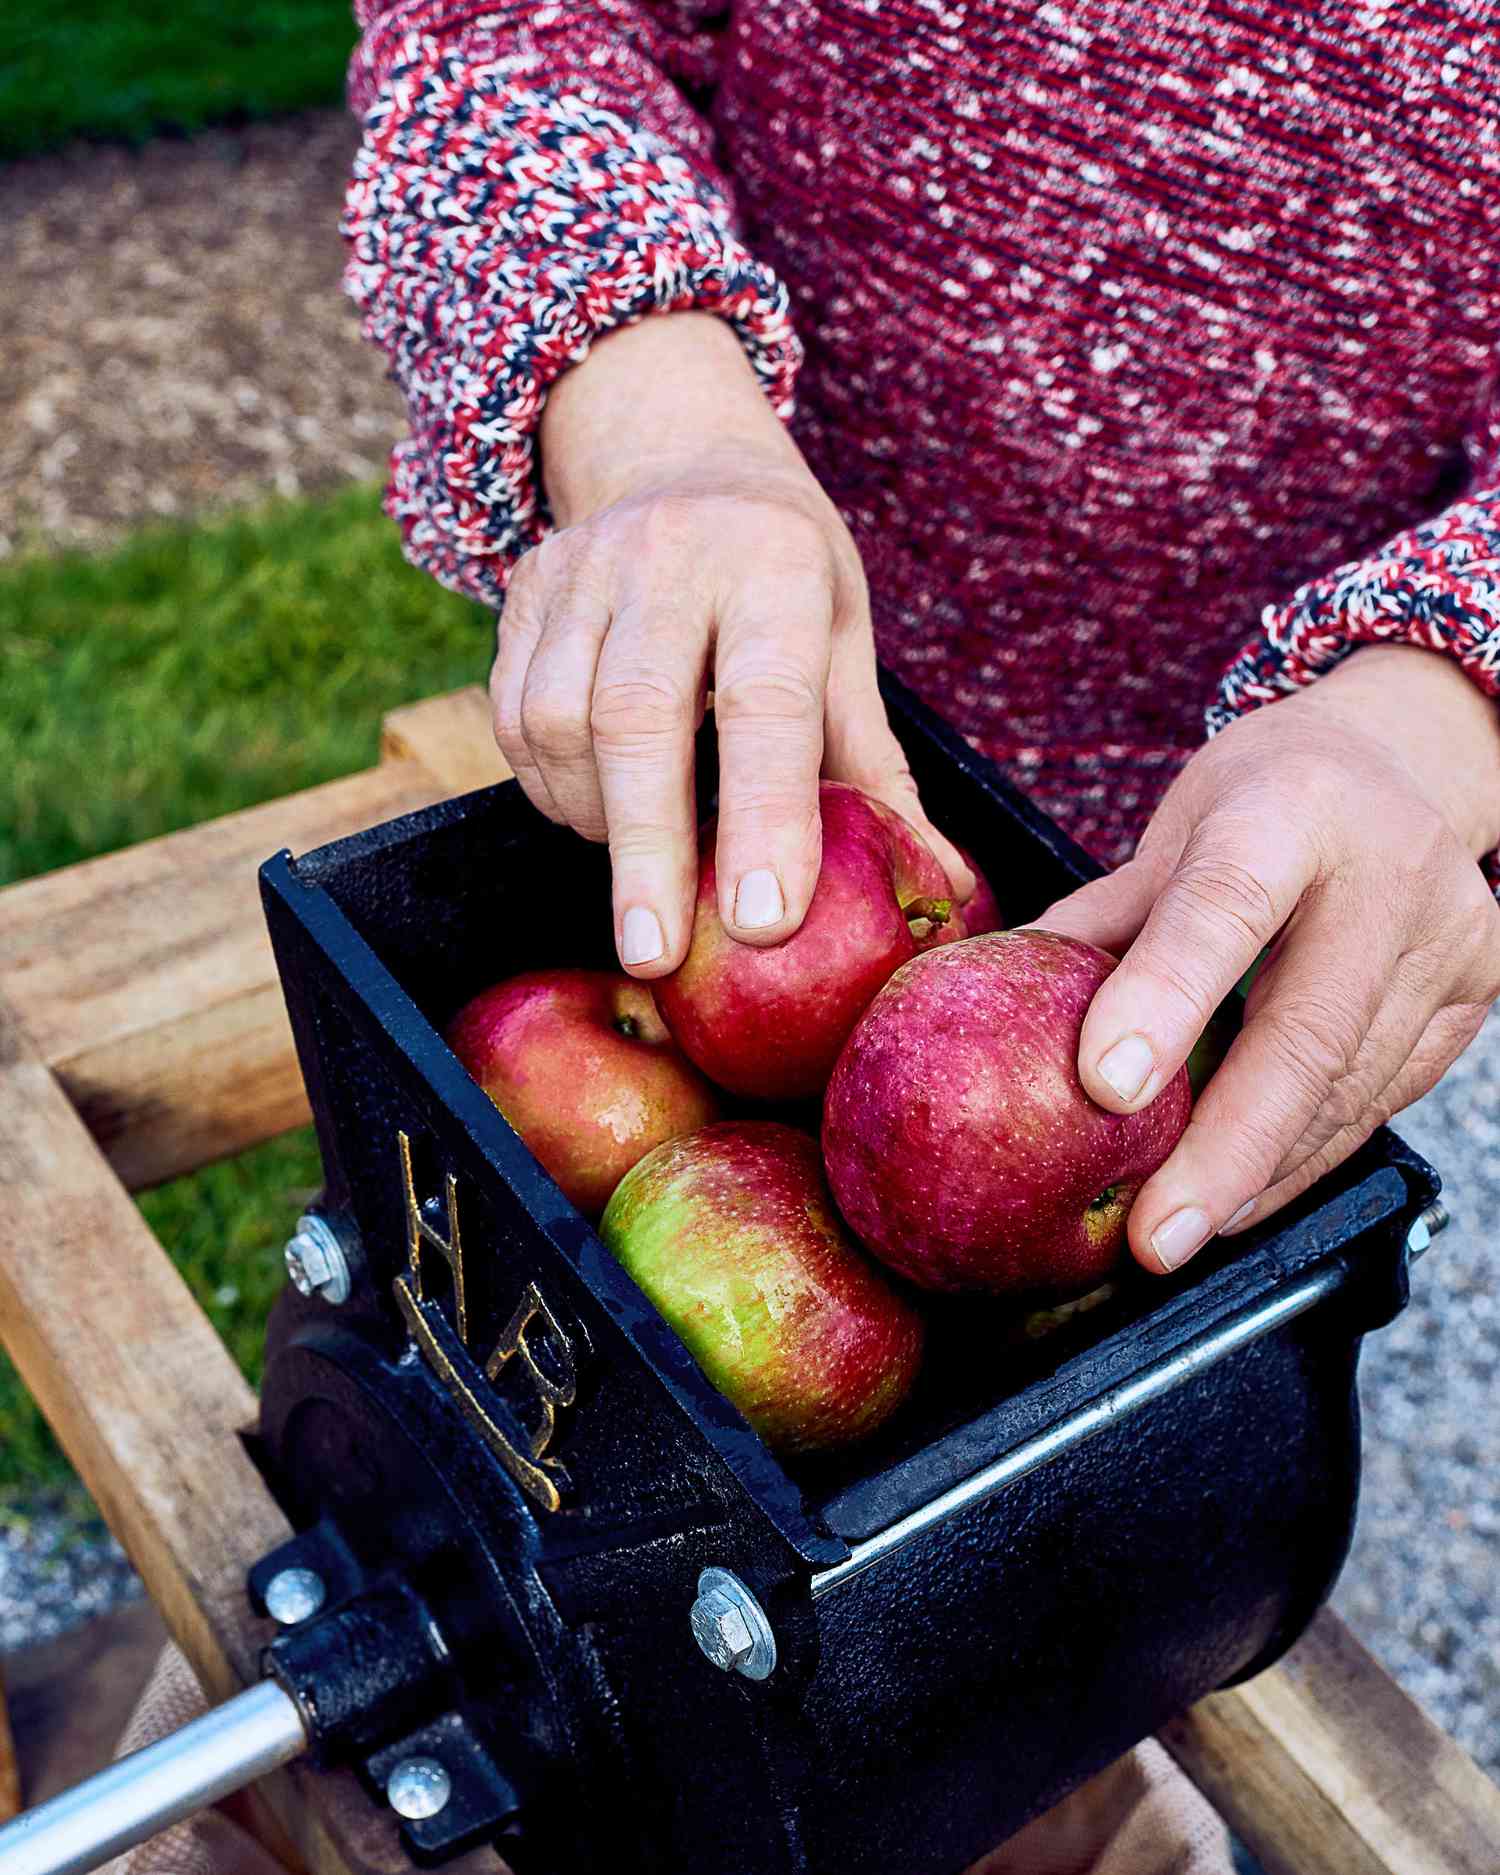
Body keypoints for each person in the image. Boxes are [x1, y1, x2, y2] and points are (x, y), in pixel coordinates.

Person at [326, 1, 1500, 1867]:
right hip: (715, 747)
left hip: (1236, 889)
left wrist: (1452, 700)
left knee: (1009, 1643)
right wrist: (646, 405)